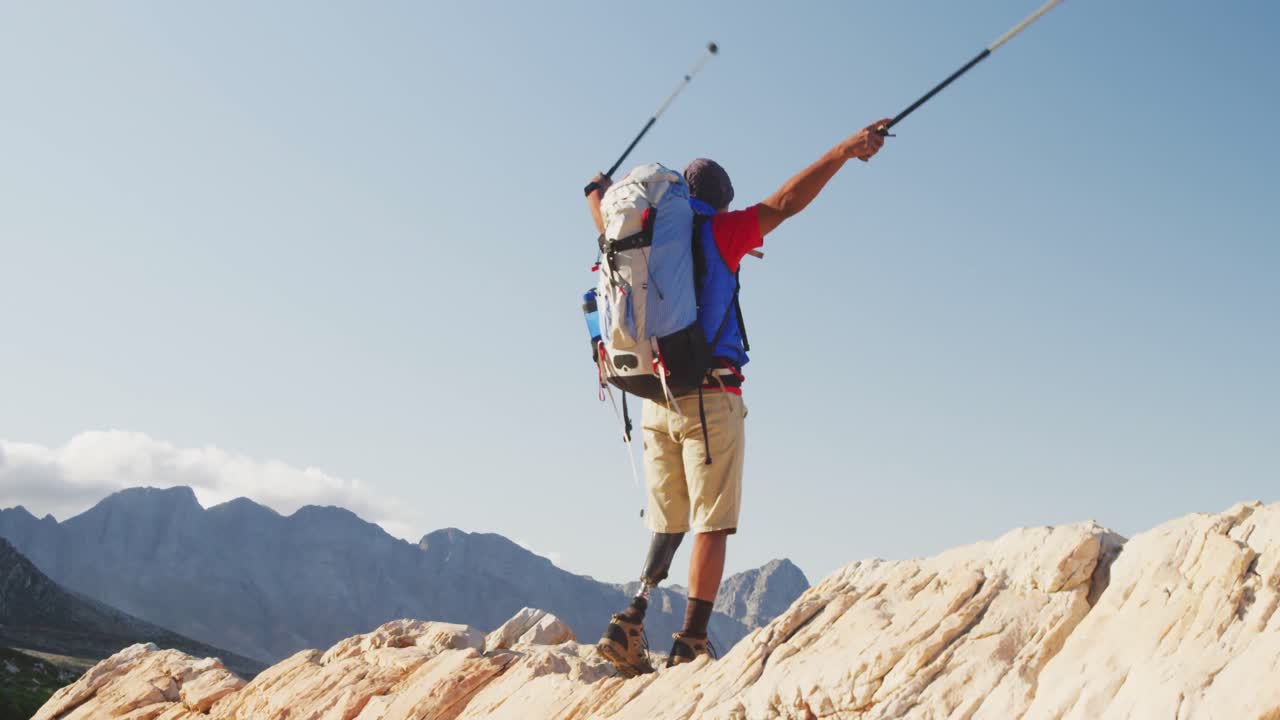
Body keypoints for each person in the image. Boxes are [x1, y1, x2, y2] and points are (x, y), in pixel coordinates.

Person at [585, 118, 891, 676]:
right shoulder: (724, 233)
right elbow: (786, 202)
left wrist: (596, 189)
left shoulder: (637, 236)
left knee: (667, 519)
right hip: (710, 397)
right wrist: (845, 150)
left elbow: (598, 206)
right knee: (712, 521)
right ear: (720, 204)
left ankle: (631, 618)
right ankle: (691, 641)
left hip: (654, 395)